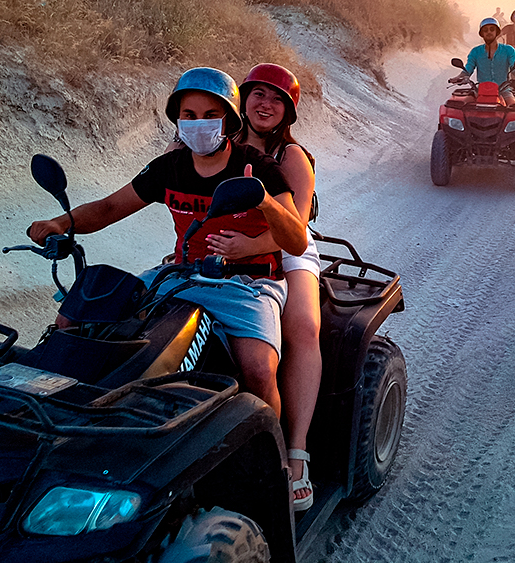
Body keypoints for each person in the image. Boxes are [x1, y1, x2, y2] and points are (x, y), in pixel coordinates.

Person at [29, 67, 307, 420]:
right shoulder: (169, 168)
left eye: (210, 115)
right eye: (189, 115)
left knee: (259, 370)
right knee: (83, 320)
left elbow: (296, 241)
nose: (198, 124)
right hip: (179, 276)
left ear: (229, 119)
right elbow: (110, 207)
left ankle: (272, 448)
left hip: (247, 284)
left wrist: (265, 201)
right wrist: (61, 223)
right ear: (178, 119)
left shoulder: (258, 167)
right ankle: (59, 410)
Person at [205, 63, 321, 511]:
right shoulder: (222, 144)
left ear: (288, 111)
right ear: (243, 99)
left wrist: (250, 247)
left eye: (277, 99)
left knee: (303, 326)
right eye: (258, 94)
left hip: (285, 246)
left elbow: (298, 228)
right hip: (228, 242)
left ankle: (296, 451)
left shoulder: (292, 157)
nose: (265, 104)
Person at [450, 17, 515, 106]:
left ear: (497, 32)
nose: (489, 32)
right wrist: (459, 77)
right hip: (479, 90)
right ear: (482, 34)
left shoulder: (508, 50)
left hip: (503, 90)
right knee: (463, 107)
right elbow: (468, 69)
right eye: (485, 30)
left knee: (514, 109)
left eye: (492, 29)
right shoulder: (476, 51)